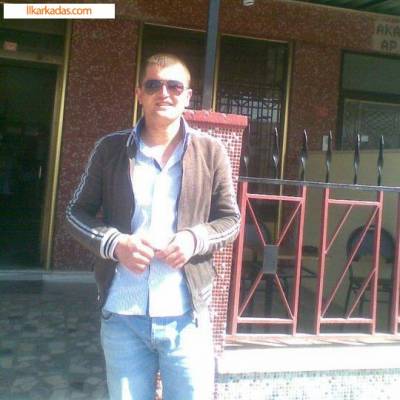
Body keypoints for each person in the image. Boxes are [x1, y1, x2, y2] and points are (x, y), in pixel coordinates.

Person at [66, 53, 240, 400]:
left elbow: (231, 219)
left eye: (174, 86)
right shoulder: (111, 149)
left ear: (187, 96)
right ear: (139, 94)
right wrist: (115, 244)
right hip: (123, 314)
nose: (164, 93)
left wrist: (194, 239)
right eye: (153, 85)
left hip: (187, 316)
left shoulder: (210, 151)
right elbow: (75, 213)